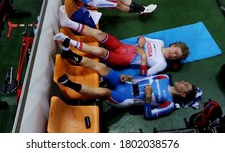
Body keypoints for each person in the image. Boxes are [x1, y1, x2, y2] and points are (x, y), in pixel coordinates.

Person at [57, 42, 197, 120]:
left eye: (186, 85)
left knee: (105, 92)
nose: (184, 81)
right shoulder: (164, 78)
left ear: (183, 94)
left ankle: (69, 84)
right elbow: (143, 78)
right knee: (102, 67)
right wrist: (129, 77)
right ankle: (71, 55)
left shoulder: (169, 104)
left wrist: (148, 98)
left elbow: (149, 115)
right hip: (124, 83)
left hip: (124, 98)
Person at [54, 5, 189, 75]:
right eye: (175, 51)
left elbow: (144, 75)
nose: (173, 55)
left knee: (100, 51)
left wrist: (143, 59)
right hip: (122, 47)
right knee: (100, 34)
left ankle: (67, 40)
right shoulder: (160, 42)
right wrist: (141, 39)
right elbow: (142, 38)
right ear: (172, 45)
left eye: (176, 56)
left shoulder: (162, 64)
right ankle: (68, 23)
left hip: (123, 59)